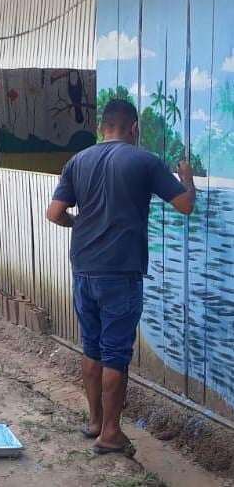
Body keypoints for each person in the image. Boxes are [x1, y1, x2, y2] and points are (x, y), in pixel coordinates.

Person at [47, 99, 195, 456]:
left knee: (92, 346)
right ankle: (110, 434)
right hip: (120, 272)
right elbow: (185, 205)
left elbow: (54, 214)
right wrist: (187, 178)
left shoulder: (77, 161)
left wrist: (78, 223)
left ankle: (95, 421)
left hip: (83, 269)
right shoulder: (144, 160)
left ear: (102, 128)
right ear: (134, 129)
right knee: (115, 354)